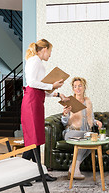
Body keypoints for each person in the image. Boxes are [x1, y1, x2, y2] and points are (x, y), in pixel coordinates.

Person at [21, 39, 68, 184]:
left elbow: (40, 88)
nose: (50, 55)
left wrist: (58, 94)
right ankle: (23, 175)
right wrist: (52, 84)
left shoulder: (35, 61)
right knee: (33, 140)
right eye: (50, 52)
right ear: (44, 49)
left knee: (36, 139)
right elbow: (32, 83)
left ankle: (39, 173)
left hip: (35, 101)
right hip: (32, 103)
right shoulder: (35, 60)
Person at [62, 77, 103, 180]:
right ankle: (75, 169)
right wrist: (65, 114)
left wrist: (96, 122)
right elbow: (64, 123)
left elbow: (91, 118)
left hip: (85, 133)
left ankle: (73, 168)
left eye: (80, 86)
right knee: (88, 137)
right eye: (75, 86)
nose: (78, 88)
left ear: (84, 87)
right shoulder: (69, 101)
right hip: (71, 132)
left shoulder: (88, 101)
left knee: (93, 143)